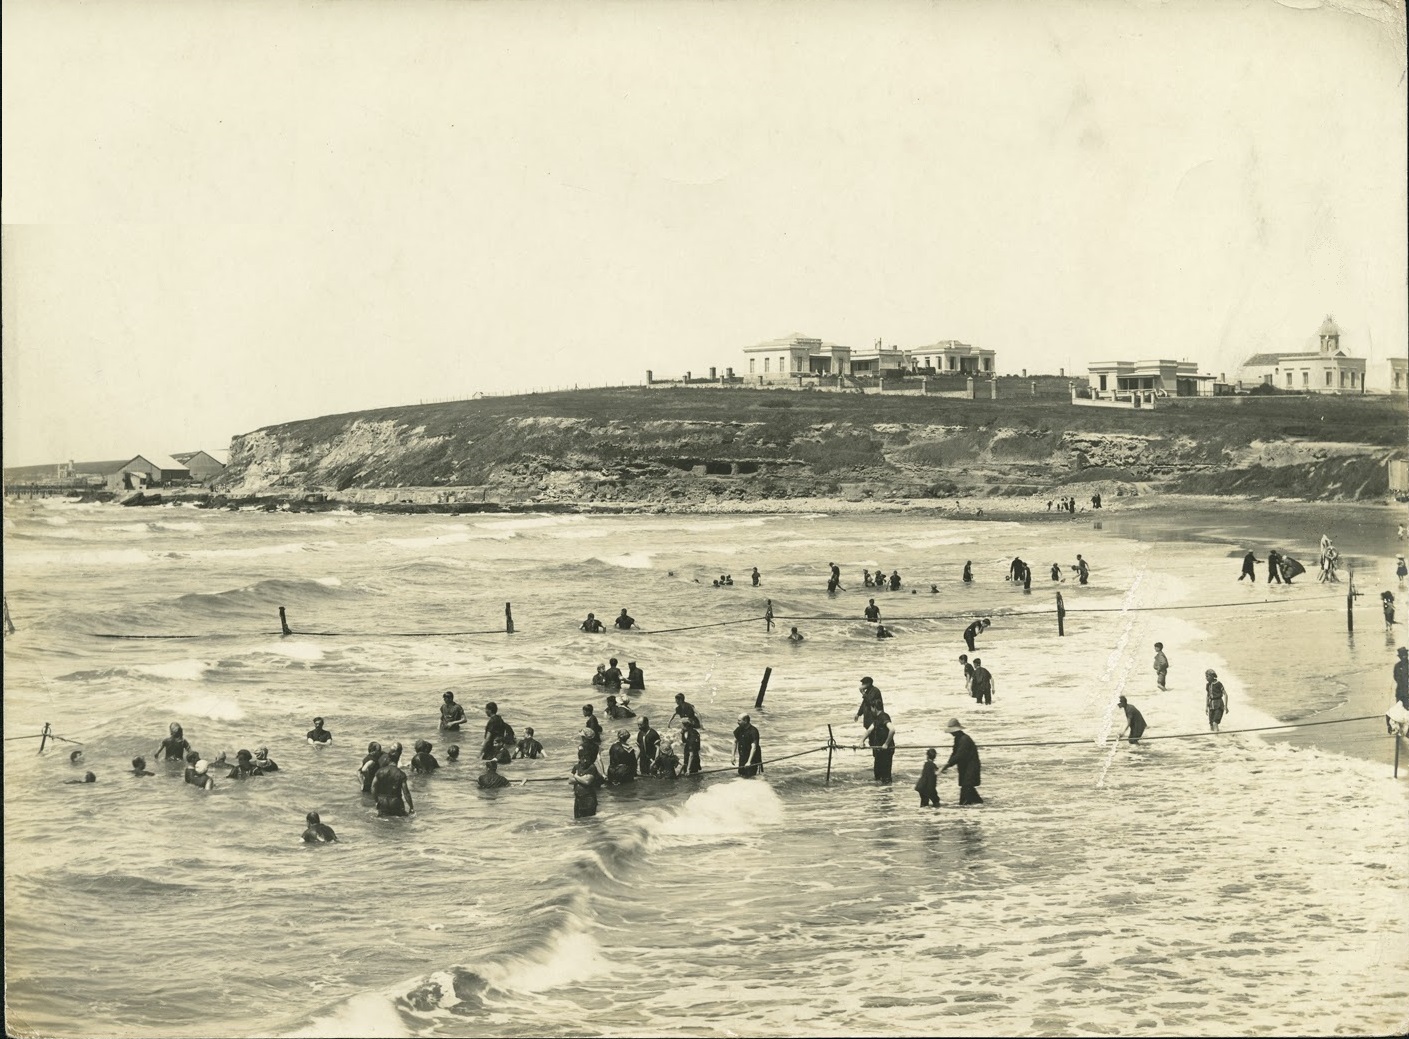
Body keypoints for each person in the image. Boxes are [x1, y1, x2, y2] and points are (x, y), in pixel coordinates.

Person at [940, 719, 982, 805]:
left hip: (971, 768)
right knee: (969, 790)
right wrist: (947, 763)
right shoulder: (958, 739)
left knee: (966, 790)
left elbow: (959, 755)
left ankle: (964, 810)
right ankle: (979, 806)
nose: (951, 733)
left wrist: (947, 765)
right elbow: (954, 753)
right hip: (965, 768)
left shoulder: (964, 739)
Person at [568, 745, 606, 818]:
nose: (585, 761)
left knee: (589, 820)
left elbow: (587, 782)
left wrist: (576, 776)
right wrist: (582, 778)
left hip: (588, 799)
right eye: (583, 758)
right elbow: (570, 781)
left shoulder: (591, 767)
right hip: (578, 799)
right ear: (579, 758)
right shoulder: (576, 767)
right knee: (578, 821)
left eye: (587, 758)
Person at [862, 710, 895, 782]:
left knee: (886, 777)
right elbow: (869, 730)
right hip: (879, 750)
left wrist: (886, 743)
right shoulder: (877, 718)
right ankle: (879, 792)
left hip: (887, 750)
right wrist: (862, 741)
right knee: (877, 775)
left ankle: (886, 791)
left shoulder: (884, 716)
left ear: (874, 708)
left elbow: (892, 730)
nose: (870, 711)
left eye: (871, 708)